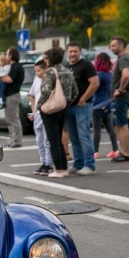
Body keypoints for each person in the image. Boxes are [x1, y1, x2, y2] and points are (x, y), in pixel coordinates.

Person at [37, 47, 78, 179]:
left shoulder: (50, 71)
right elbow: (75, 92)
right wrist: (67, 102)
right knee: (59, 138)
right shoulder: (67, 70)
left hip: (50, 109)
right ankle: (64, 167)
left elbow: (46, 90)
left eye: (46, 58)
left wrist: (39, 105)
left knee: (53, 139)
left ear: (51, 59)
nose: (45, 60)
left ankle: (59, 169)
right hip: (63, 107)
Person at [65, 41, 98, 175]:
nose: (73, 54)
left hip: (82, 106)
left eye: (75, 51)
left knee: (84, 136)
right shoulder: (66, 66)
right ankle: (78, 163)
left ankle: (89, 165)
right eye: (70, 51)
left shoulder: (86, 65)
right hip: (69, 107)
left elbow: (95, 83)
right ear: (67, 52)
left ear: (80, 52)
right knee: (74, 138)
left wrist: (84, 98)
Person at [108, 36, 129, 162]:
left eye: (113, 45)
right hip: (121, 98)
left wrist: (120, 89)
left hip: (121, 97)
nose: (111, 48)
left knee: (122, 125)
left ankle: (125, 153)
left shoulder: (123, 59)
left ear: (121, 46)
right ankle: (123, 151)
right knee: (118, 125)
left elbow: (126, 75)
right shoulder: (122, 58)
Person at [91, 52, 119, 159]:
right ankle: (115, 149)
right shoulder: (109, 75)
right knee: (110, 128)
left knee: (96, 129)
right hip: (107, 103)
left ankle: (95, 151)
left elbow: (94, 88)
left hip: (97, 104)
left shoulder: (99, 75)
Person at [27, 60, 53, 176]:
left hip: (47, 112)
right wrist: (33, 111)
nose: (37, 73)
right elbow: (32, 95)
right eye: (35, 71)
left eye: (39, 70)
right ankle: (43, 162)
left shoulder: (49, 80)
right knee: (39, 139)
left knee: (47, 139)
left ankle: (49, 163)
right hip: (37, 113)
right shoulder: (36, 80)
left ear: (45, 69)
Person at [1, 47, 25, 148]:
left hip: (12, 95)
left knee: (14, 119)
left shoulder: (15, 67)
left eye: (7, 54)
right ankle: (12, 139)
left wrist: (0, 75)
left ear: (11, 56)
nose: (6, 56)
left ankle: (17, 140)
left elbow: (9, 79)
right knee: (10, 119)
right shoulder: (13, 66)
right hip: (10, 95)